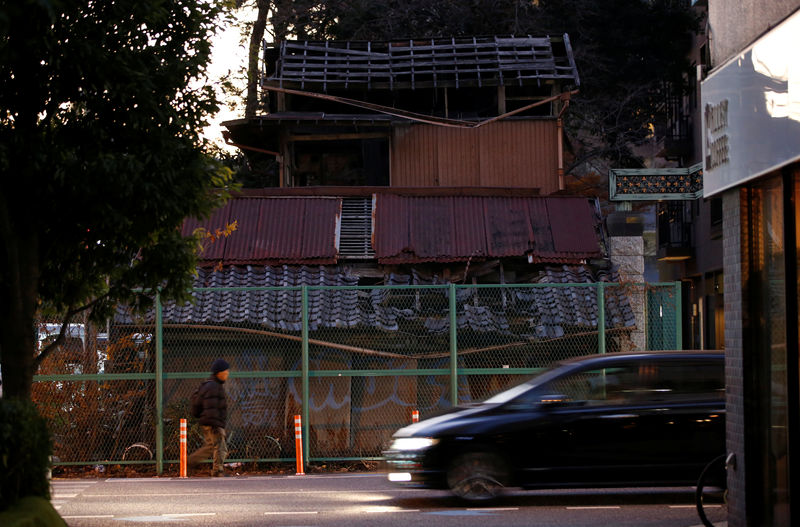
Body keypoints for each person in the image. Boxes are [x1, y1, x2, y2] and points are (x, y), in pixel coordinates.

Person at [188, 358, 230, 477]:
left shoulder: (208, 385)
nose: (227, 374)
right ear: (219, 373)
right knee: (220, 447)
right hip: (214, 423)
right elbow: (212, 407)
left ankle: (191, 461)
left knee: (211, 446)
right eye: (225, 372)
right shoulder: (214, 387)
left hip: (209, 422)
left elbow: (199, 404)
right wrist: (216, 424)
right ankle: (217, 471)